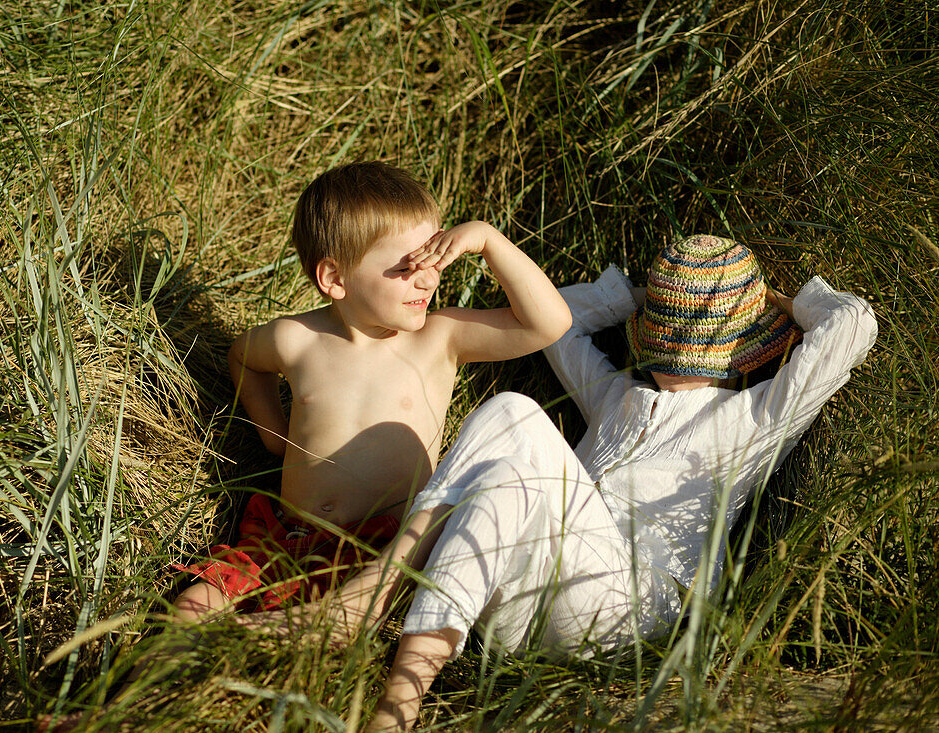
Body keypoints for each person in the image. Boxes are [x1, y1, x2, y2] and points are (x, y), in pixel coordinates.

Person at [309, 234, 876, 731]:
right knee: (508, 476)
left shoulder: (754, 419)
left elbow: (854, 325)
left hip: (630, 618)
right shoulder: (614, 398)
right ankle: (398, 707)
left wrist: (780, 303)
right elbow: (556, 321)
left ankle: (370, 598)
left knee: (513, 412)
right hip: (526, 607)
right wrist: (641, 295)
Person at [169, 161, 573, 622]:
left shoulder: (438, 339)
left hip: (382, 550)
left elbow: (549, 323)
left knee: (319, 630)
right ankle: (158, 678)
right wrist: (272, 435)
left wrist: (487, 239)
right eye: (406, 266)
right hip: (285, 537)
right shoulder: (296, 340)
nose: (429, 278)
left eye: (434, 259)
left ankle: (289, 639)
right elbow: (242, 358)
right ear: (335, 279)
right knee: (193, 606)